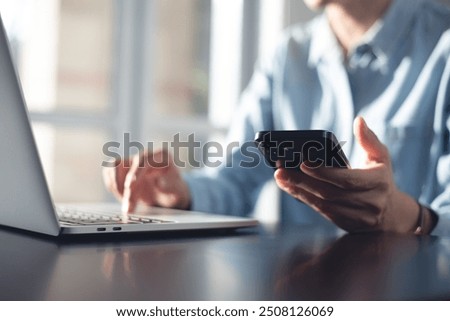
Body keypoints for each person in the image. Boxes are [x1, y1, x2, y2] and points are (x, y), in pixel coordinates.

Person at [103, 0, 450, 235]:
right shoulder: (287, 56)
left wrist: (408, 218)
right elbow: (234, 181)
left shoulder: (443, 44)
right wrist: (180, 194)